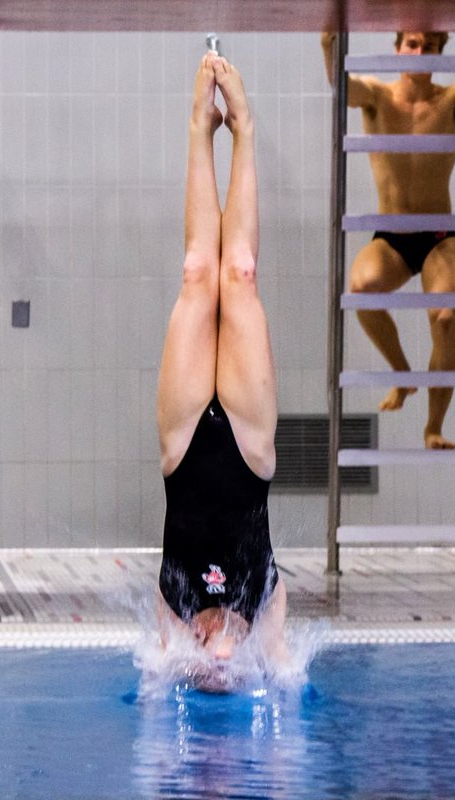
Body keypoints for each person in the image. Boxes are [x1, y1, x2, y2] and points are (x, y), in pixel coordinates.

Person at [154, 53, 288, 691]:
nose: (217, 653)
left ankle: (198, 129)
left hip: (182, 448)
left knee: (196, 274)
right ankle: (245, 130)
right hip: (249, 446)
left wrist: (179, 666)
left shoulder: (173, 607)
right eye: (225, 660)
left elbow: (155, 680)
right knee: (239, 274)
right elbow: (287, 679)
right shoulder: (264, 600)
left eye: (205, 658)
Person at [321, 31, 455, 449]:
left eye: (429, 47)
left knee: (445, 318)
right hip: (393, 238)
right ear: (397, 47)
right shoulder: (377, 97)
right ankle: (402, 374)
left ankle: (433, 427)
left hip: (439, 238)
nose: (419, 53)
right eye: (412, 44)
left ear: (440, 53)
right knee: (360, 290)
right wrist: (328, 44)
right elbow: (343, 86)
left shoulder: (453, 99)